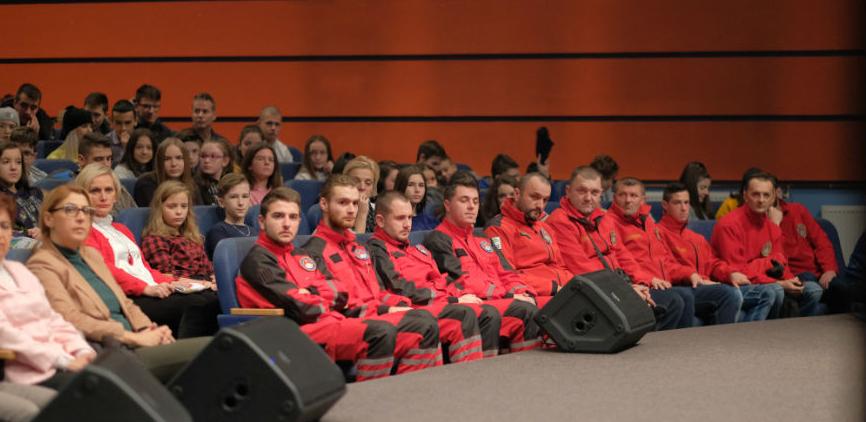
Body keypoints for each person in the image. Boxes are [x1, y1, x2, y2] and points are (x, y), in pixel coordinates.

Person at [25, 184, 209, 382]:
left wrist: (150, 329)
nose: (81, 217)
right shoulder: (42, 264)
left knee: (214, 351)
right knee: (214, 352)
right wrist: (134, 338)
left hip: (133, 342)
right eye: (70, 210)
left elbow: (126, 304)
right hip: (108, 351)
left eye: (86, 211)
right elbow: (70, 319)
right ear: (48, 219)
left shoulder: (91, 255)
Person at [301, 176, 478, 367]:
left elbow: (380, 291)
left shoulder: (357, 249)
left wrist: (400, 304)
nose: (351, 210)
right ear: (324, 204)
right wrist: (389, 309)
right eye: (343, 203)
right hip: (356, 322)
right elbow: (337, 305)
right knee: (425, 323)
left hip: (380, 314)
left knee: (437, 319)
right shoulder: (314, 251)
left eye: (355, 203)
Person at [234, 187, 398, 381]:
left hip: (329, 322)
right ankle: (371, 396)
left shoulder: (301, 255)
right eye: (278, 216)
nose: (286, 224)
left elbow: (340, 292)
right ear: (262, 221)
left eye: (293, 217)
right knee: (380, 332)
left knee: (410, 326)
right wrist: (317, 296)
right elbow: (299, 306)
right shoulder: (258, 260)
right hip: (290, 333)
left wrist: (309, 292)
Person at [369, 191, 540, 357]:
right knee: (477, 314)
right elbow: (401, 288)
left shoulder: (417, 250)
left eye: (409, 218)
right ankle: (474, 371)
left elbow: (444, 280)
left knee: (507, 310)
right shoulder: (378, 249)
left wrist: (460, 295)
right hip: (420, 306)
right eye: (400, 218)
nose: (407, 224)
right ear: (380, 221)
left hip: (442, 302)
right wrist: (453, 299)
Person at [77, 165, 219, 338]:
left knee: (212, 299)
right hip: (127, 297)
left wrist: (176, 282)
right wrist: (145, 288)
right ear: (82, 195)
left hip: (149, 289)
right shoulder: (83, 231)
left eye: (108, 190)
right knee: (196, 306)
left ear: (115, 195)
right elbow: (104, 270)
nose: (103, 196)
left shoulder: (121, 229)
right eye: (95, 191)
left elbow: (145, 270)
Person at [546, 166, 685, 330]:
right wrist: (627, 290)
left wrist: (644, 281)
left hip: (617, 286)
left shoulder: (603, 218)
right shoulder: (559, 221)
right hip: (594, 293)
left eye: (594, 192)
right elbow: (582, 269)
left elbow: (623, 256)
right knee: (674, 301)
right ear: (568, 191)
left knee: (678, 298)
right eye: (581, 191)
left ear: (601, 194)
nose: (588, 198)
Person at [421, 171, 544, 352]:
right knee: (525, 310)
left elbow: (506, 271)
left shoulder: (482, 237)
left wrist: (521, 291)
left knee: (533, 303)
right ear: (447, 205)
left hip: (497, 300)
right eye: (464, 200)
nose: (471, 206)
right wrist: (508, 295)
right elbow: (461, 282)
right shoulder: (438, 239)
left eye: (475, 201)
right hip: (476, 303)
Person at [604, 177, 742, 326]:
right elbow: (620, 262)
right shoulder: (609, 223)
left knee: (727, 294)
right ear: (614, 197)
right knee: (682, 297)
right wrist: (649, 279)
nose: (628, 200)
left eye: (633, 195)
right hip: (643, 287)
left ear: (643, 199)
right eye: (622, 195)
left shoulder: (648, 223)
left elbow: (667, 261)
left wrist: (689, 274)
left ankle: (720, 341)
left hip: (666, 285)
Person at [0, 193, 97, 390]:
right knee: (101, 391)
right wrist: (63, 360)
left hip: (64, 358)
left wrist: (81, 350)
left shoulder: (18, 270)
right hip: (30, 372)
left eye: (4, 226)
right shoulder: (38, 263)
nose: (0, 234)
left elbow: (52, 318)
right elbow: (7, 335)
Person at [658, 182, 778, 322]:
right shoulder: (657, 233)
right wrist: (691, 275)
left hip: (706, 286)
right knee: (729, 294)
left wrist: (730, 274)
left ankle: (747, 335)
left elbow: (713, 263)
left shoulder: (696, 237)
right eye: (677, 203)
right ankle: (726, 335)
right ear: (665, 205)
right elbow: (664, 265)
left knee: (768, 292)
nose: (684, 208)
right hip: (684, 288)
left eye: (686, 202)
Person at [712, 171, 822, 318]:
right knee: (774, 291)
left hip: (766, 281)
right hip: (734, 285)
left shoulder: (772, 227)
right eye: (755, 194)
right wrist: (778, 282)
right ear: (745, 195)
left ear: (773, 197)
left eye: (766, 195)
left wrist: (790, 279)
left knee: (813, 290)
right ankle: (762, 332)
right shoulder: (728, 224)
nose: (761, 200)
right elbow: (739, 272)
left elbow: (781, 264)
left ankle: (792, 330)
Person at [484, 173, 574, 296]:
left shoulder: (545, 228)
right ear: (517, 194)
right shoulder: (497, 229)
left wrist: (575, 285)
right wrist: (552, 288)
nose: (540, 205)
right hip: (537, 295)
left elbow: (561, 268)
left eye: (545, 200)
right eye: (535, 197)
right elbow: (506, 275)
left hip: (562, 292)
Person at [141, 181, 217, 284]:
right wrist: (200, 283)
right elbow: (165, 276)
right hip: (179, 288)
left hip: (202, 284)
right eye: (172, 207)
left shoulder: (193, 237)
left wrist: (214, 279)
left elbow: (207, 268)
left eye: (184, 206)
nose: (179, 212)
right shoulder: (154, 239)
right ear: (159, 209)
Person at [775, 188, 838, 294]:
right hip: (792, 277)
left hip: (818, 273)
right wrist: (774, 224)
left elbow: (821, 242)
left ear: (778, 192)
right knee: (811, 285)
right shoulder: (760, 221)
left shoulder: (798, 210)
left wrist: (829, 269)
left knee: (842, 289)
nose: (762, 200)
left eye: (766, 194)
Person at [134, 137, 202, 207]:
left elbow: (200, 211)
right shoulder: (146, 183)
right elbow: (153, 211)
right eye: (167, 159)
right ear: (160, 162)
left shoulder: (192, 185)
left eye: (178, 158)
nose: (173, 164)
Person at [204, 173, 256, 259]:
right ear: (221, 202)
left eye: (245, 196)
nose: (241, 203)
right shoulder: (218, 231)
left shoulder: (254, 231)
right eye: (234, 197)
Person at [0, 141, 42, 239]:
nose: (13, 167)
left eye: (18, 162)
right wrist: (29, 233)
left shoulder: (35, 192)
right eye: (6, 162)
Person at [393, 165, 438, 231]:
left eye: (421, 185)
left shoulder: (431, 221)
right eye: (410, 185)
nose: (417, 190)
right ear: (401, 187)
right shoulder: (392, 221)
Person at [342, 156, 379, 233]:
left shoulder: (378, 210)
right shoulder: (337, 209)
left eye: (368, 183)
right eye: (356, 181)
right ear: (345, 182)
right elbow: (356, 240)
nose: (362, 187)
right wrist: (362, 214)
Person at [194, 137, 232, 205]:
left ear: (225, 161)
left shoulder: (232, 184)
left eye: (213, 156)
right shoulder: (193, 186)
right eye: (203, 156)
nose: (206, 161)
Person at [106, 100, 137, 167]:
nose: (123, 128)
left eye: (127, 123)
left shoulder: (142, 140)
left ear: (135, 121)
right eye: (118, 123)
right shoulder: (104, 142)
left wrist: (127, 147)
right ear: (111, 122)